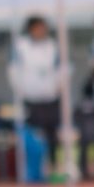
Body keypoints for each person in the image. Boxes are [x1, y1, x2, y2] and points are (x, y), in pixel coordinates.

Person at [7, 14, 64, 157]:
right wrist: (21, 91)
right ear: (31, 29)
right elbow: (13, 70)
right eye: (38, 28)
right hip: (30, 97)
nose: (41, 31)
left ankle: (52, 162)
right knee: (32, 134)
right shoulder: (21, 46)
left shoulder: (52, 46)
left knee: (52, 134)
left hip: (50, 96)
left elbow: (61, 69)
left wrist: (58, 87)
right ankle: (34, 165)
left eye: (43, 28)